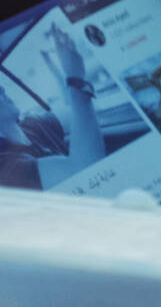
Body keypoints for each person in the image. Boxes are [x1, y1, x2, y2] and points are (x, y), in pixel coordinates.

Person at [0, 25, 106, 190]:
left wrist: (55, 66)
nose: (1, 88)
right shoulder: (5, 167)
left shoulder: (33, 124)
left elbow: (82, 112)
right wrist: (75, 77)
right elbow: (88, 172)